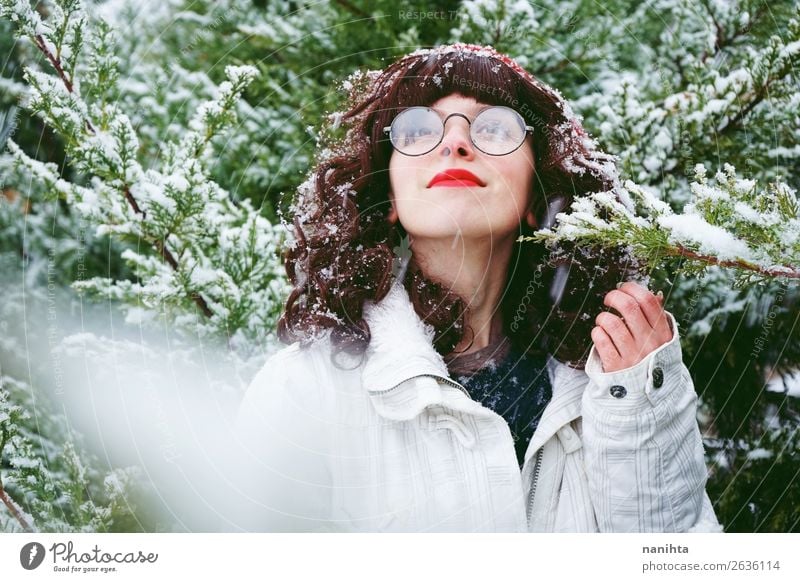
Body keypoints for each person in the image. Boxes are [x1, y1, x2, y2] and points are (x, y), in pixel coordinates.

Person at [229, 43, 722, 532]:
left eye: (494, 128)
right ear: (389, 199)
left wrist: (639, 406)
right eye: (418, 130)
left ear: (537, 195)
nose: (455, 143)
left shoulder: (619, 374)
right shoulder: (306, 390)